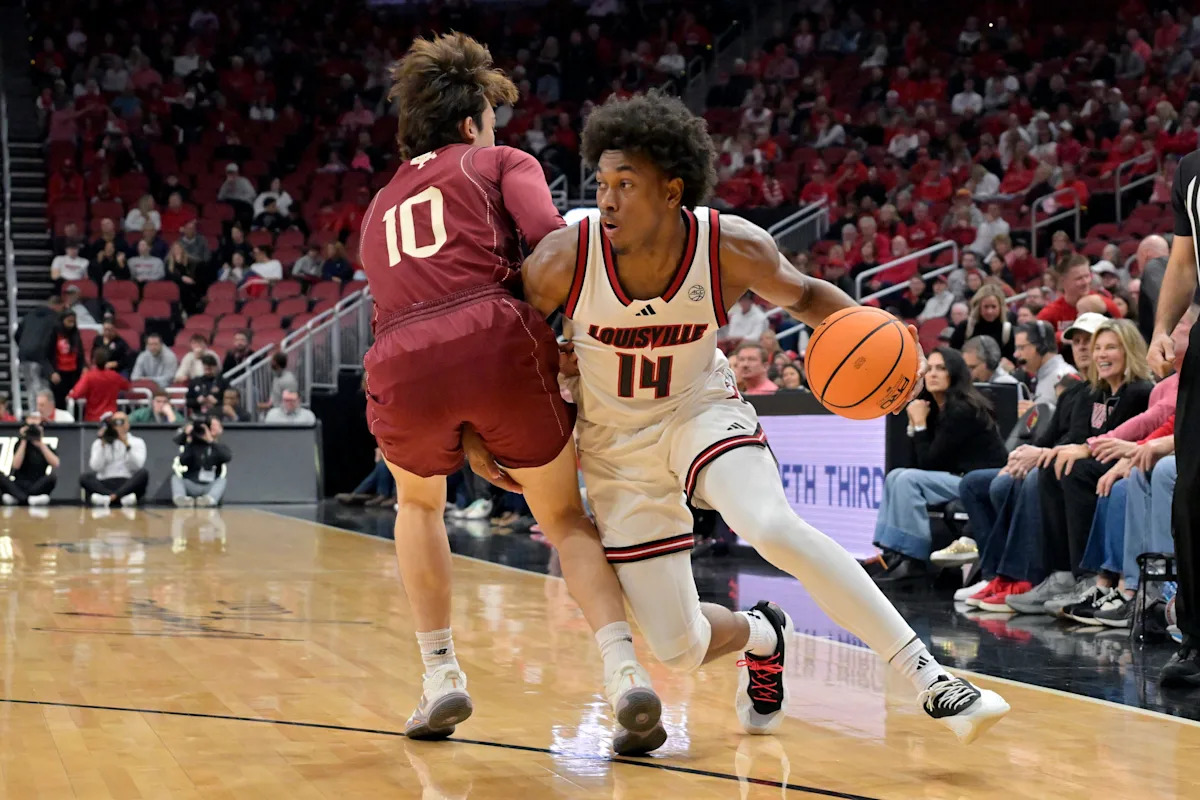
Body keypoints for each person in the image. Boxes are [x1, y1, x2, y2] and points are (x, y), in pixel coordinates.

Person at [482, 90, 1008, 744]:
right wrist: (495, 428)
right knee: (675, 647)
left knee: (771, 524)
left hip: (700, 411)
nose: (608, 199)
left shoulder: (730, 246)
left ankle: (931, 678)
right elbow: (501, 349)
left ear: (673, 192)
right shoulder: (566, 257)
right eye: (602, 183)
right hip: (616, 446)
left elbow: (815, 299)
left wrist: (881, 358)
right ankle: (765, 634)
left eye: (626, 184)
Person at [359, 34, 662, 753]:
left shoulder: (375, 209)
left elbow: (416, 325)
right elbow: (554, 247)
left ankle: (440, 677)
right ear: (471, 124)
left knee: (417, 504)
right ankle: (624, 673)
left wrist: (466, 427)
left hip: (398, 358)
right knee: (562, 516)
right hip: (492, 331)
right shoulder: (499, 161)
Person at [1035, 318, 1154, 617]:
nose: (1101, 354)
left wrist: (1080, 450)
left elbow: (1117, 440)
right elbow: (1083, 436)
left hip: (1131, 464)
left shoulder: (1139, 391)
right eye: (1098, 348)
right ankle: (1064, 571)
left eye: (1111, 347)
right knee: (1053, 466)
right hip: (1102, 462)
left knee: (1074, 470)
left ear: (1129, 351)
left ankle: (1088, 574)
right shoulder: (1097, 393)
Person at [872, 348, 1008, 581]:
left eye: (941, 368)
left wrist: (919, 424)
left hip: (979, 480)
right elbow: (917, 461)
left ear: (954, 373)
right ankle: (894, 551)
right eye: (930, 368)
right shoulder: (936, 408)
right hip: (957, 477)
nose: (933, 374)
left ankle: (913, 557)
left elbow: (930, 463)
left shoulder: (962, 409)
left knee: (907, 480)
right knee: (896, 476)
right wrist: (916, 426)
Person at [1147, 150, 1200, 685]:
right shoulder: (1191, 169)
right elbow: (1184, 262)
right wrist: (1164, 328)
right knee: (1191, 492)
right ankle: (1195, 642)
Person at [79, 411, 148, 507]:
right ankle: (119, 498)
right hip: (105, 481)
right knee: (84, 477)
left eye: (121, 422)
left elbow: (137, 466)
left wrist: (126, 444)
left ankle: (107, 498)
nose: (118, 426)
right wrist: (102, 445)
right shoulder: (99, 443)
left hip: (126, 482)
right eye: (114, 422)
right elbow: (95, 467)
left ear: (127, 425)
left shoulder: (137, 442)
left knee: (143, 473)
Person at [1013, 320, 1076, 412]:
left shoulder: (1064, 376)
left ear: (1041, 347)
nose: (1016, 354)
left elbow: (1072, 420)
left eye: (1021, 348)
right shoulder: (1044, 376)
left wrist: (1038, 413)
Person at [0, 412, 58, 506]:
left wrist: (40, 443)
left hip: (37, 484)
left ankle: (18, 498)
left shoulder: (46, 446)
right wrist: (23, 440)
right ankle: (28, 500)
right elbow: (16, 465)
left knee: (52, 477)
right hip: (19, 484)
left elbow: (56, 463)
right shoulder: (19, 444)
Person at [171, 417, 231, 507]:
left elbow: (227, 457)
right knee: (176, 478)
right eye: (212, 426)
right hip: (192, 483)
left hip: (210, 484)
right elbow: (183, 462)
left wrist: (210, 440)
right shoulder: (193, 446)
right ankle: (181, 499)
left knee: (222, 480)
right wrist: (189, 441)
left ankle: (209, 499)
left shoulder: (219, 447)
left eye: (215, 426)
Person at [948, 285, 1014, 361]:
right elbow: (952, 356)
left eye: (993, 307)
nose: (990, 311)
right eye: (986, 307)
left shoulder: (1007, 330)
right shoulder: (965, 327)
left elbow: (1011, 360)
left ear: (1000, 307)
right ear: (979, 307)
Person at [67, 348, 131, 422]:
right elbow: (127, 386)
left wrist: (69, 396)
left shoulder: (89, 377)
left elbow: (76, 393)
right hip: (110, 419)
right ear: (107, 361)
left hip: (92, 420)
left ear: (94, 361)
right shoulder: (114, 376)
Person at [46, 310, 84, 409]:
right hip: (59, 375)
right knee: (59, 403)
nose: (71, 324)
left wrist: (83, 367)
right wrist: (52, 372)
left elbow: (80, 353)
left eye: (73, 322)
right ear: (63, 320)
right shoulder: (55, 332)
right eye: (69, 321)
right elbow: (47, 355)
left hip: (73, 374)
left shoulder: (76, 333)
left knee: (74, 402)